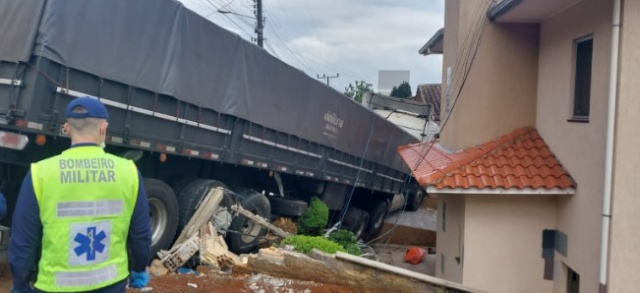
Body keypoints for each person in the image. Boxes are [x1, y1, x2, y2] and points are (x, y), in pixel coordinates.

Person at [9, 97, 152, 292]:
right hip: (111, 284)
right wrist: (138, 268)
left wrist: (20, 282)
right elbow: (140, 233)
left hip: (54, 286)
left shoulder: (40, 173)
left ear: (67, 128)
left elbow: (24, 239)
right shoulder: (129, 171)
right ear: (103, 129)